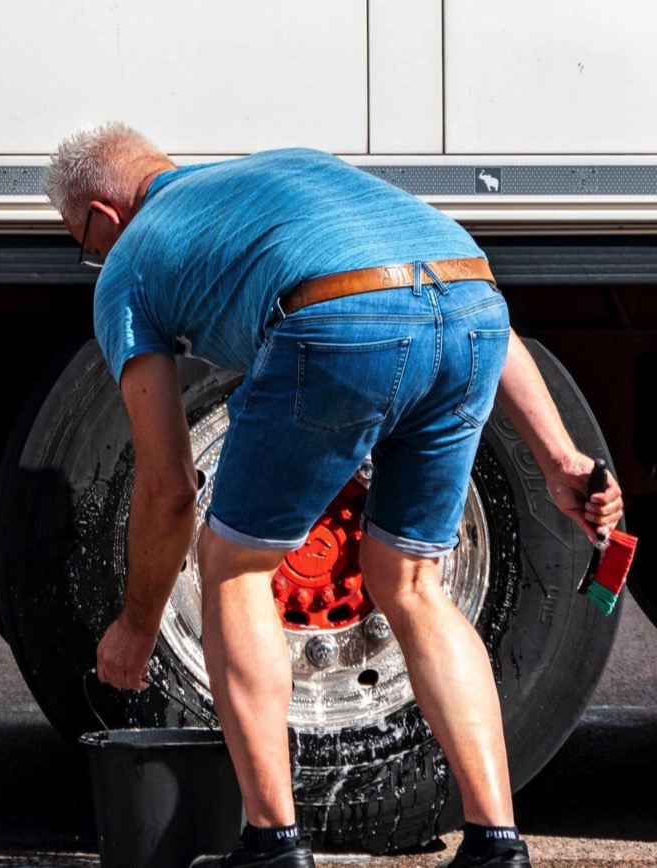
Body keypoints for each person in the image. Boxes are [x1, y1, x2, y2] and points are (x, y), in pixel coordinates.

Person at [43, 124, 625, 868]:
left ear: (105, 212)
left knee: (236, 563)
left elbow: (167, 486)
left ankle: (272, 843)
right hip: (476, 314)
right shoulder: (290, 168)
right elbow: (458, 288)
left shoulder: (129, 261)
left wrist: (136, 625)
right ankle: (495, 842)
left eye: (82, 239)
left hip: (341, 325)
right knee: (410, 580)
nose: (92, 255)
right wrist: (560, 457)